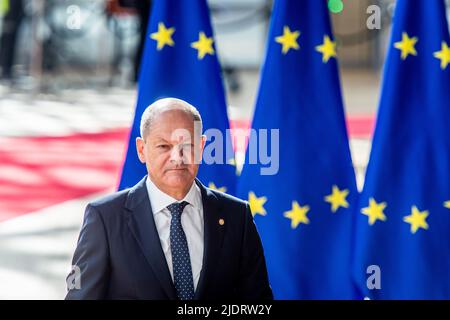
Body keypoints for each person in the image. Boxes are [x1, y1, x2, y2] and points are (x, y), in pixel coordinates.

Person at [65, 98, 273, 300]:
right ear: (141, 149)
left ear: (201, 147)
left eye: (188, 145)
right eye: (164, 146)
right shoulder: (105, 218)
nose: (177, 157)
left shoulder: (237, 216)